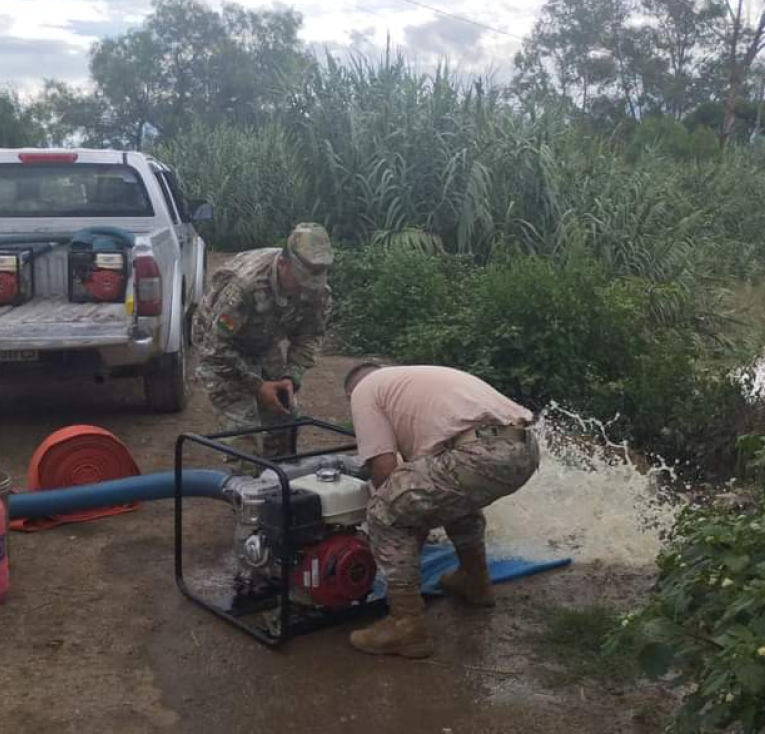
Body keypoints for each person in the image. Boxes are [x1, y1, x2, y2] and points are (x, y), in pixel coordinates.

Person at [344, 363, 540, 658]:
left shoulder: (364, 391)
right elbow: (426, 486)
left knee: (384, 511)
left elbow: (384, 472)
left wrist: (381, 540)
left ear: (351, 392)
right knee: (449, 496)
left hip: (479, 455)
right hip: (524, 449)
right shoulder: (412, 381)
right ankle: (474, 579)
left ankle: (405, 624)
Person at [196, 223, 333, 463]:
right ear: (283, 264)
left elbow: (310, 335)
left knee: (285, 419)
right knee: (245, 438)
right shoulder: (244, 286)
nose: (305, 289)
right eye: (300, 281)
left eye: (311, 283)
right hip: (219, 351)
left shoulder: (316, 289)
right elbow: (214, 345)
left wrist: (291, 376)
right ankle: (249, 489)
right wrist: (257, 386)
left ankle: (280, 485)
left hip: (263, 343)